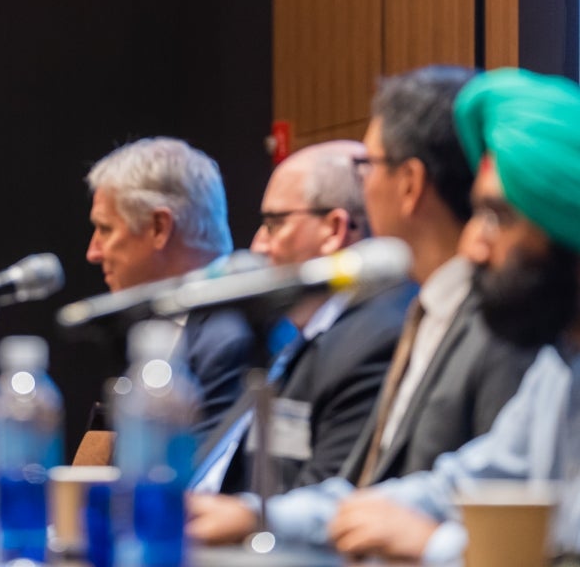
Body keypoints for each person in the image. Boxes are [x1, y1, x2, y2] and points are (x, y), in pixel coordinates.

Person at [194, 67, 580, 561]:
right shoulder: (558, 369)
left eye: (498, 218)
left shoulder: (515, 335)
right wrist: (260, 516)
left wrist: (433, 545)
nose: (475, 245)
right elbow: (455, 488)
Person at [189, 139, 414, 496]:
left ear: (334, 230)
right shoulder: (295, 336)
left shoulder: (372, 341)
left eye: (274, 224)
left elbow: (326, 499)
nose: (259, 244)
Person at [85, 137, 260, 438]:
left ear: (159, 228)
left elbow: (194, 477)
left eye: (105, 229)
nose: (93, 252)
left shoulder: (231, 335)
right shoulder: (159, 321)